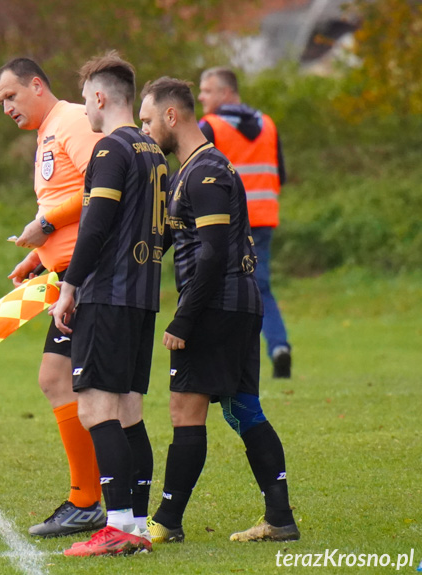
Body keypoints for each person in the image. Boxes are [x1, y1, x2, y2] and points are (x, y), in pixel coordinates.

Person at [138, 77, 300, 544]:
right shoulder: (190, 170)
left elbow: (210, 254)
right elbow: (168, 241)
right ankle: (280, 517)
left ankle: (166, 521)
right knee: (244, 408)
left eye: (147, 121)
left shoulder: (205, 171)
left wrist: (184, 317)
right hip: (241, 303)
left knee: (184, 410)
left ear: (172, 116)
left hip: (216, 306)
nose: (146, 132)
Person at [51, 51, 166, 557]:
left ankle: (116, 525)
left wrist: (70, 287)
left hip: (109, 294)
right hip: (142, 299)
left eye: (85, 99)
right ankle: (137, 525)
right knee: (129, 411)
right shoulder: (154, 152)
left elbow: (96, 225)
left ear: (100, 96)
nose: (85, 109)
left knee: (98, 408)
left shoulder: (109, 150)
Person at [0, 58, 106, 537]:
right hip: (65, 275)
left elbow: (102, 188)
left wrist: (47, 224)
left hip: (93, 276)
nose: (7, 109)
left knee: (89, 389)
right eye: (1, 103)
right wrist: (39, 256)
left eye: (12, 97)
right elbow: (67, 204)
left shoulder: (75, 121)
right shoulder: (48, 132)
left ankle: (94, 500)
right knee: (58, 379)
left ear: (37, 85)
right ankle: (91, 498)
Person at [198, 67, 292, 378]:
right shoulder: (268, 124)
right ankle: (279, 346)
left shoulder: (209, 127)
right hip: (263, 218)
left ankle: (228, 359)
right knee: (260, 285)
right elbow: (282, 174)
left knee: (222, 286)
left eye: (207, 90)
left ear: (226, 93)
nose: (201, 96)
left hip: (226, 219)